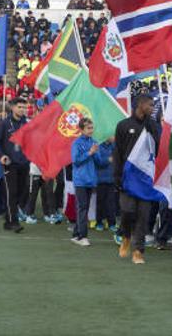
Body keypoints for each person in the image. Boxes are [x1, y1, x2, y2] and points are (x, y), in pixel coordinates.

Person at [113, 94, 159, 265]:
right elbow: (117, 152)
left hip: (146, 179)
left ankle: (138, 250)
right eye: (150, 104)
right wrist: (117, 176)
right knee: (127, 211)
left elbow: (158, 148)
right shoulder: (123, 125)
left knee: (143, 215)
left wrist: (152, 127)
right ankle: (125, 236)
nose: (153, 107)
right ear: (140, 105)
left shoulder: (152, 125)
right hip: (127, 178)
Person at [0, 97, 30, 233]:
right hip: (10, 163)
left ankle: (8, 217)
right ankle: (13, 221)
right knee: (12, 192)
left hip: (24, 162)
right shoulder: (4, 124)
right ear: (13, 107)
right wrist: (1, 156)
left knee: (22, 192)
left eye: (24, 107)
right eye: (19, 107)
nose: (22, 110)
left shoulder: (26, 124)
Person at [70, 118, 105, 246]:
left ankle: (76, 234)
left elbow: (100, 163)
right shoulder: (76, 143)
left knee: (83, 207)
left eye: (92, 127)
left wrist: (95, 153)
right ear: (81, 129)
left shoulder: (94, 142)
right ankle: (82, 236)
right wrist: (89, 152)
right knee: (83, 207)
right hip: (80, 180)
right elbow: (76, 160)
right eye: (88, 128)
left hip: (91, 180)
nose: (91, 130)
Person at [94, 139, 116, 232]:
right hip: (100, 180)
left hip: (111, 179)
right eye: (112, 135)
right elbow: (98, 162)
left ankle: (112, 223)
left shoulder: (114, 146)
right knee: (100, 202)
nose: (114, 137)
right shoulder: (98, 146)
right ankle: (99, 222)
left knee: (111, 203)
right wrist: (108, 160)